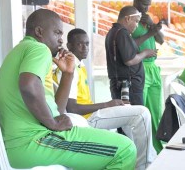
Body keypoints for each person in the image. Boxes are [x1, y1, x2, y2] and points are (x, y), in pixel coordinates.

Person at [0, 9, 136, 169]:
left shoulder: (20, 49)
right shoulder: (39, 49)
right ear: (39, 32)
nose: (61, 40)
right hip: (33, 142)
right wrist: (53, 123)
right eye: (57, 33)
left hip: (21, 146)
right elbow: (28, 85)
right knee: (125, 149)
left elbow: (58, 112)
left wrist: (68, 73)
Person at [53, 28, 157, 170]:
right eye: (80, 44)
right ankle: (146, 165)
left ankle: (134, 160)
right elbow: (72, 108)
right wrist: (107, 104)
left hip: (89, 116)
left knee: (129, 113)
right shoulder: (68, 69)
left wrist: (110, 105)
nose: (85, 48)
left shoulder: (78, 65)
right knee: (141, 113)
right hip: (84, 120)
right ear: (69, 45)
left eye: (87, 44)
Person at [131, 0, 164, 153]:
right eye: (144, 4)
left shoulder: (148, 19)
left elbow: (161, 40)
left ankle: (158, 150)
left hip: (153, 68)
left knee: (155, 112)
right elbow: (128, 46)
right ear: (135, 1)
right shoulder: (129, 18)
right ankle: (142, 152)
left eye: (149, 5)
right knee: (141, 112)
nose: (146, 8)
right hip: (139, 67)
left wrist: (151, 24)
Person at [105, 5, 158, 106]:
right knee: (134, 117)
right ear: (128, 19)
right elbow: (129, 60)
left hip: (123, 85)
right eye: (136, 21)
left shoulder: (113, 32)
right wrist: (145, 53)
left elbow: (129, 48)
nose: (137, 25)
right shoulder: (122, 33)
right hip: (128, 86)